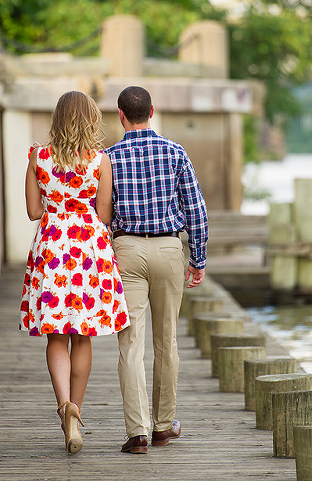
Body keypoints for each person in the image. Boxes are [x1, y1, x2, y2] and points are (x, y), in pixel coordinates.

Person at [19, 90, 130, 454]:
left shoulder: (38, 157)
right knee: (82, 336)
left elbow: (34, 212)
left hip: (51, 249)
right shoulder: (100, 160)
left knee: (56, 337)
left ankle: (63, 404)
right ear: (91, 120)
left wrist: (57, 208)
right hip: (89, 252)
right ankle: (76, 414)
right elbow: (104, 215)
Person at [106, 85, 208, 455]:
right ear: (153, 111)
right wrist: (197, 258)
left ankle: (138, 432)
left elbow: (102, 215)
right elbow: (196, 210)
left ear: (120, 115)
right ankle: (164, 426)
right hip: (168, 248)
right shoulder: (175, 151)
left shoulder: (108, 158)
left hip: (126, 249)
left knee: (130, 343)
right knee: (166, 340)